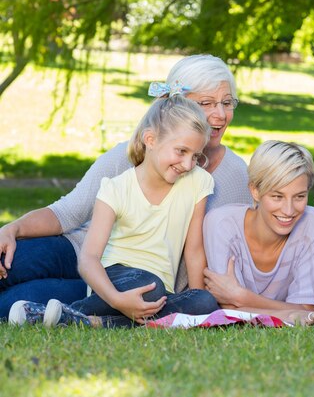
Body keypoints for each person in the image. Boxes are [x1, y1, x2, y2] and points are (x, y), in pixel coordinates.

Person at [0, 55, 252, 319]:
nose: (220, 115)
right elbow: (68, 212)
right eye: (206, 103)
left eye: (227, 102)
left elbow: (239, 247)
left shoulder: (234, 176)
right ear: (175, 105)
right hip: (83, 252)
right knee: (13, 263)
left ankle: (78, 316)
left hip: (143, 282)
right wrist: (13, 228)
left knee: (17, 301)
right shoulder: (130, 155)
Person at [9, 95, 221, 327]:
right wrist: (117, 299)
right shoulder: (116, 188)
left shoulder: (198, 182)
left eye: (195, 156)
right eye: (181, 151)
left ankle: (83, 319)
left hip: (160, 290)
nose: (188, 164)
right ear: (150, 139)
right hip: (117, 277)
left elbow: (194, 249)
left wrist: (199, 313)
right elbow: (89, 259)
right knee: (150, 288)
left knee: (204, 301)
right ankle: (94, 311)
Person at [203, 141, 314, 325]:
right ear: (255, 191)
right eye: (277, 196)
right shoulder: (221, 223)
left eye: (299, 196)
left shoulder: (312, 222)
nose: (289, 210)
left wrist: (241, 296)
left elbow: (307, 309)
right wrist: (290, 313)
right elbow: (229, 310)